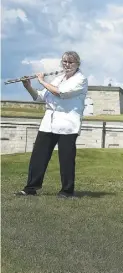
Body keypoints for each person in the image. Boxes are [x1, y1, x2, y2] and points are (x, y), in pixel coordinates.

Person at [15, 51, 88, 198]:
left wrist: (42, 81)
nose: (67, 65)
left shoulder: (81, 79)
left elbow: (60, 92)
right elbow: (39, 96)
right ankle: (30, 188)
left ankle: (66, 191)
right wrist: (28, 86)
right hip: (48, 123)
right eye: (65, 62)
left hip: (68, 124)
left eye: (70, 62)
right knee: (38, 156)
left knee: (66, 159)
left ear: (77, 64)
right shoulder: (58, 78)